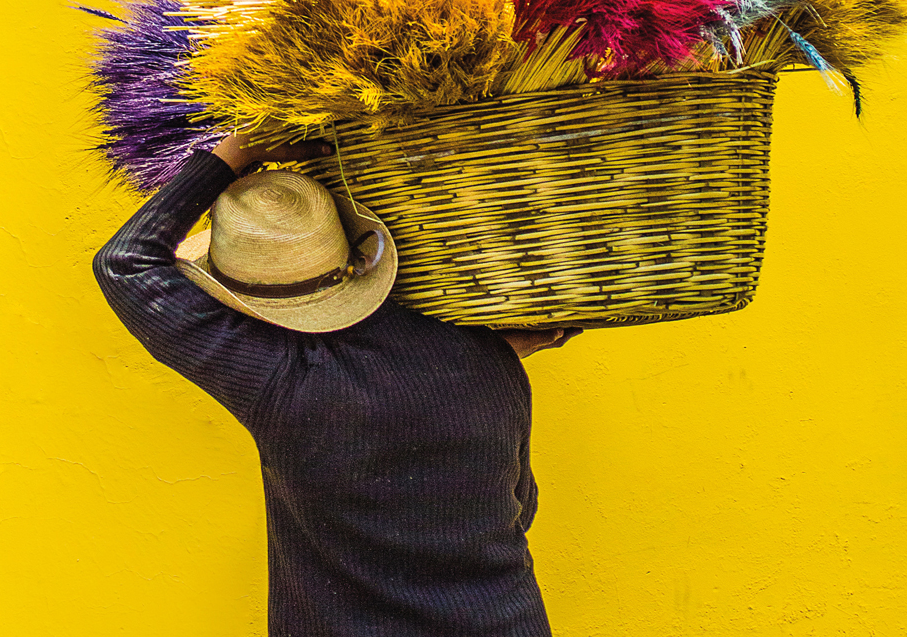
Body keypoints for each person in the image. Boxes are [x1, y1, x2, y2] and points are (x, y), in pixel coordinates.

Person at [92, 132, 576, 637]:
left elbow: (124, 264)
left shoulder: (278, 382)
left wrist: (239, 152)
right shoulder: (490, 357)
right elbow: (521, 507)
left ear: (245, 300)